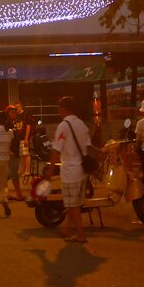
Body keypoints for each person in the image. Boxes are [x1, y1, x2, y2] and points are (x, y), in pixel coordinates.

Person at [49, 96, 92, 243]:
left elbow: (56, 150)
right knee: (73, 203)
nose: (58, 111)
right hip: (82, 171)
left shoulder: (63, 126)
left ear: (64, 109)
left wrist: (50, 170)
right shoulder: (81, 124)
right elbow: (87, 147)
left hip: (70, 171)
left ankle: (80, 234)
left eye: (59, 108)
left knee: (72, 205)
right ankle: (67, 229)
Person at [4, 105, 25, 201]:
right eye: (12, 112)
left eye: (15, 112)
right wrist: (8, 150)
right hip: (11, 152)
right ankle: (19, 195)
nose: (14, 113)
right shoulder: (7, 123)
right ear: (7, 113)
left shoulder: (14, 122)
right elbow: (4, 138)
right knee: (14, 174)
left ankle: (5, 195)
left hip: (15, 151)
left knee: (7, 174)